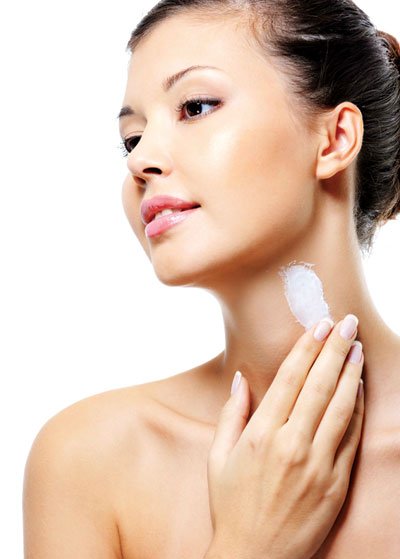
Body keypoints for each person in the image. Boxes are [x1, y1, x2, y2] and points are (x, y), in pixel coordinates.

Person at [23, 0, 400, 557]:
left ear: (335, 139)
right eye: (132, 138)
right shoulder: (90, 459)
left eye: (195, 107)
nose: (139, 161)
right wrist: (250, 542)